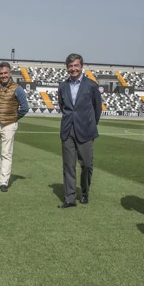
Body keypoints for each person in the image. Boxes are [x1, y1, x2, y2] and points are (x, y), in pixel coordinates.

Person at [57, 53, 102, 208]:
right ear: (67, 68)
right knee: (68, 165)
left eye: (76, 65)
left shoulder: (91, 85)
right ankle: (70, 198)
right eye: (70, 66)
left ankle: (84, 192)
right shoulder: (62, 86)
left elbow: (97, 108)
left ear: (81, 66)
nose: (73, 69)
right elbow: (63, 106)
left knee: (87, 165)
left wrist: (89, 124)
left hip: (86, 130)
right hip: (68, 130)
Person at [0, 61, 29, 192]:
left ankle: (4, 181)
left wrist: (14, 117)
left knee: (6, 153)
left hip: (9, 125)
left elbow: (25, 108)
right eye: (1, 73)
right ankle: (0, 175)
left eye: (6, 73)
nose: (3, 75)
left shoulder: (18, 88)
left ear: (10, 73)